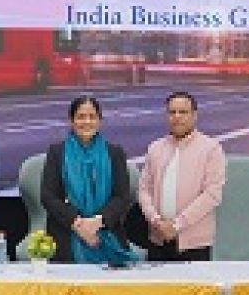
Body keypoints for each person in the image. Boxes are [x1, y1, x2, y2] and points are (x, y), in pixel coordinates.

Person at [40, 94, 136, 265]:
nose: (87, 122)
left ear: (100, 121)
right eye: (81, 117)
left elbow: (122, 197)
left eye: (92, 117)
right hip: (66, 232)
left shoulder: (115, 153)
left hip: (107, 230)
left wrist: (97, 222)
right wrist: (79, 225)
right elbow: (49, 197)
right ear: (72, 121)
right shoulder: (57, 152)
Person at [138, 90, 226, 261]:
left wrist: (178, 225)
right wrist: (156, 221)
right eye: (172, 112)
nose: (177, 117)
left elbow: (212, 195)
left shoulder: (211, 149)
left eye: (183, 112)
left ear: (194, 115)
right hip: (158, 239)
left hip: (195, 244)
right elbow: (144, 190)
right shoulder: (155, 148)